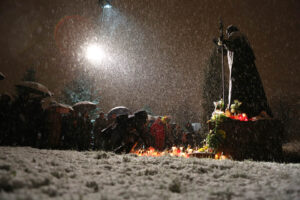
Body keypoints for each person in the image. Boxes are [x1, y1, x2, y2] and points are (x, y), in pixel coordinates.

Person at [218, 25, 273, 118]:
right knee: (247, 91)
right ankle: (242, 110)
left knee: (240, 91)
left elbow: (232, 46)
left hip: (241, 71)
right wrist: (221, 44)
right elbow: (229, 49)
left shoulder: (236, 35)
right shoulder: (239, 38)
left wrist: (223, 42)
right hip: (244, 70)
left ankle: (238, 110)